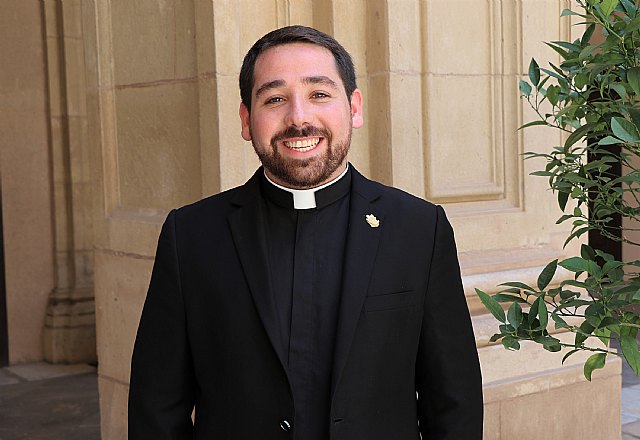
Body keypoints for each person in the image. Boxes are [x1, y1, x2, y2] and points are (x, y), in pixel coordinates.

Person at [128, 25, 483, 439]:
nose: (298, 118)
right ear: (247, 120)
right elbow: (156, 407)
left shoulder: (420, 229)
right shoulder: (189, 236)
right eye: (275, 99)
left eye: (319, 94)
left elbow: (453, 401)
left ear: (354, 108)